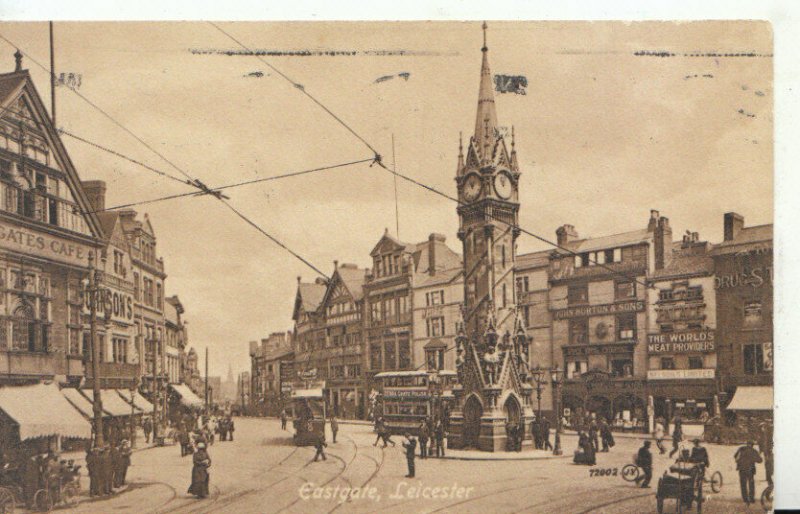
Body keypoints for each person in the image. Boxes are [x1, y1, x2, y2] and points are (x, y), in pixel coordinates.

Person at [734, 440, 762, 505]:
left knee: (743, 484)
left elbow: (735, 456)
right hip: (750, 470)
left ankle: (745, 499)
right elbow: (760, 460)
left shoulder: (741, 449)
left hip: (742, 469)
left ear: (747, 444)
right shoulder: (754, 451)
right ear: (752, 445)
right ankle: (751, 498)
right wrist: (754, 459)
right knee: (751, 484)